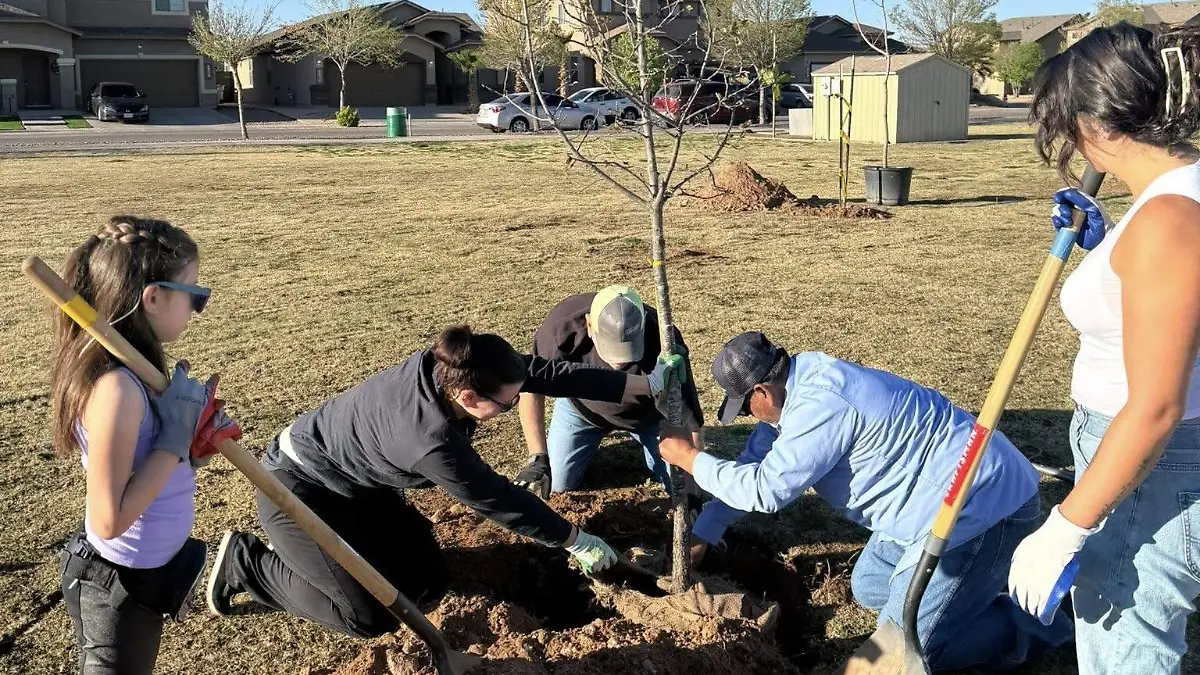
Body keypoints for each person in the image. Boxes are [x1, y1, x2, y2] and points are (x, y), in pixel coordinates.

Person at [205, 324, 685, 638]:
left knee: (426, 582)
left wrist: (640, 385)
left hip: (360, 484)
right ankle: (249, 565)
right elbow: (496, 498)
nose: (512, 407)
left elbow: (544, 374)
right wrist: (574, 539)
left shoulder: (452, 366)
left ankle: (338, 556)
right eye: (503, 405)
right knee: (369, 616)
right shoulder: (430, 442)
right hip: (296, 489)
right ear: (469, 395)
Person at [657, 332, 1072, 672]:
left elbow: (765, 491)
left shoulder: (820, 406)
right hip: (922, 508)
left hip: (977, 508)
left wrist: (690, 459)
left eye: (746, 407)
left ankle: (1028, 627)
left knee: (904, 652)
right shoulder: (796, 390)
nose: (750, 416)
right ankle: (963, 600)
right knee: (871, 584)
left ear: (762, 390)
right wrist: (706, 531)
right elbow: (756, 464)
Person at [1006, 22, 1200, 675]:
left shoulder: (1167, 222)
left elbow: (1154, 407)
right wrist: (1108, 239)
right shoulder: (1176, 202)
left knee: (1129, 645)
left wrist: (1067, 524)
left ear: (1097, 123)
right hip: (1155, 461)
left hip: (1149, 464)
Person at [52, 217, 230, 674]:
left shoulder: (140, 375)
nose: (197, 308)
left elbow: (145, 466)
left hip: (144, 576)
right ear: (154, 297)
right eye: (195, 296)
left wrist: (189, 451)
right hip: (116, 586)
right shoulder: (117, 389)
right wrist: (173, 440)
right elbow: (108, 520)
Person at [511, 285, 704, 498]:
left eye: (628, 352)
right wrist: (538, 457)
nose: (619, 361)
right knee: (557, 484)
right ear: (589, 325)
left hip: (647, 418)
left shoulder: (664, 340)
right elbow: (530, 388)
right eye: (611, 351)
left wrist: (692, 486)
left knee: (679, 485)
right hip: (581, 411)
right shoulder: (560, 329)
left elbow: (688, 416)